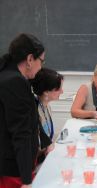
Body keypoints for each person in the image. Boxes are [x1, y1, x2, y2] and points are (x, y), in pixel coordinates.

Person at [0, 33, 46, 188]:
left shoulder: (7, 74)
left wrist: (46, 142)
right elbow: (21, 132)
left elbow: (30, 118)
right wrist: (26, 179)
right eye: (42, 61)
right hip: (14, 168)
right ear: (30, 59)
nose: (41, 67)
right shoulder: (16, 82)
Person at [30, 68, 64, 164]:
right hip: (36, 162)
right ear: (46, 92)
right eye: (59, 89)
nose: (62, 91)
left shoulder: (47, 106)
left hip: (45, 156)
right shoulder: (34, 110)